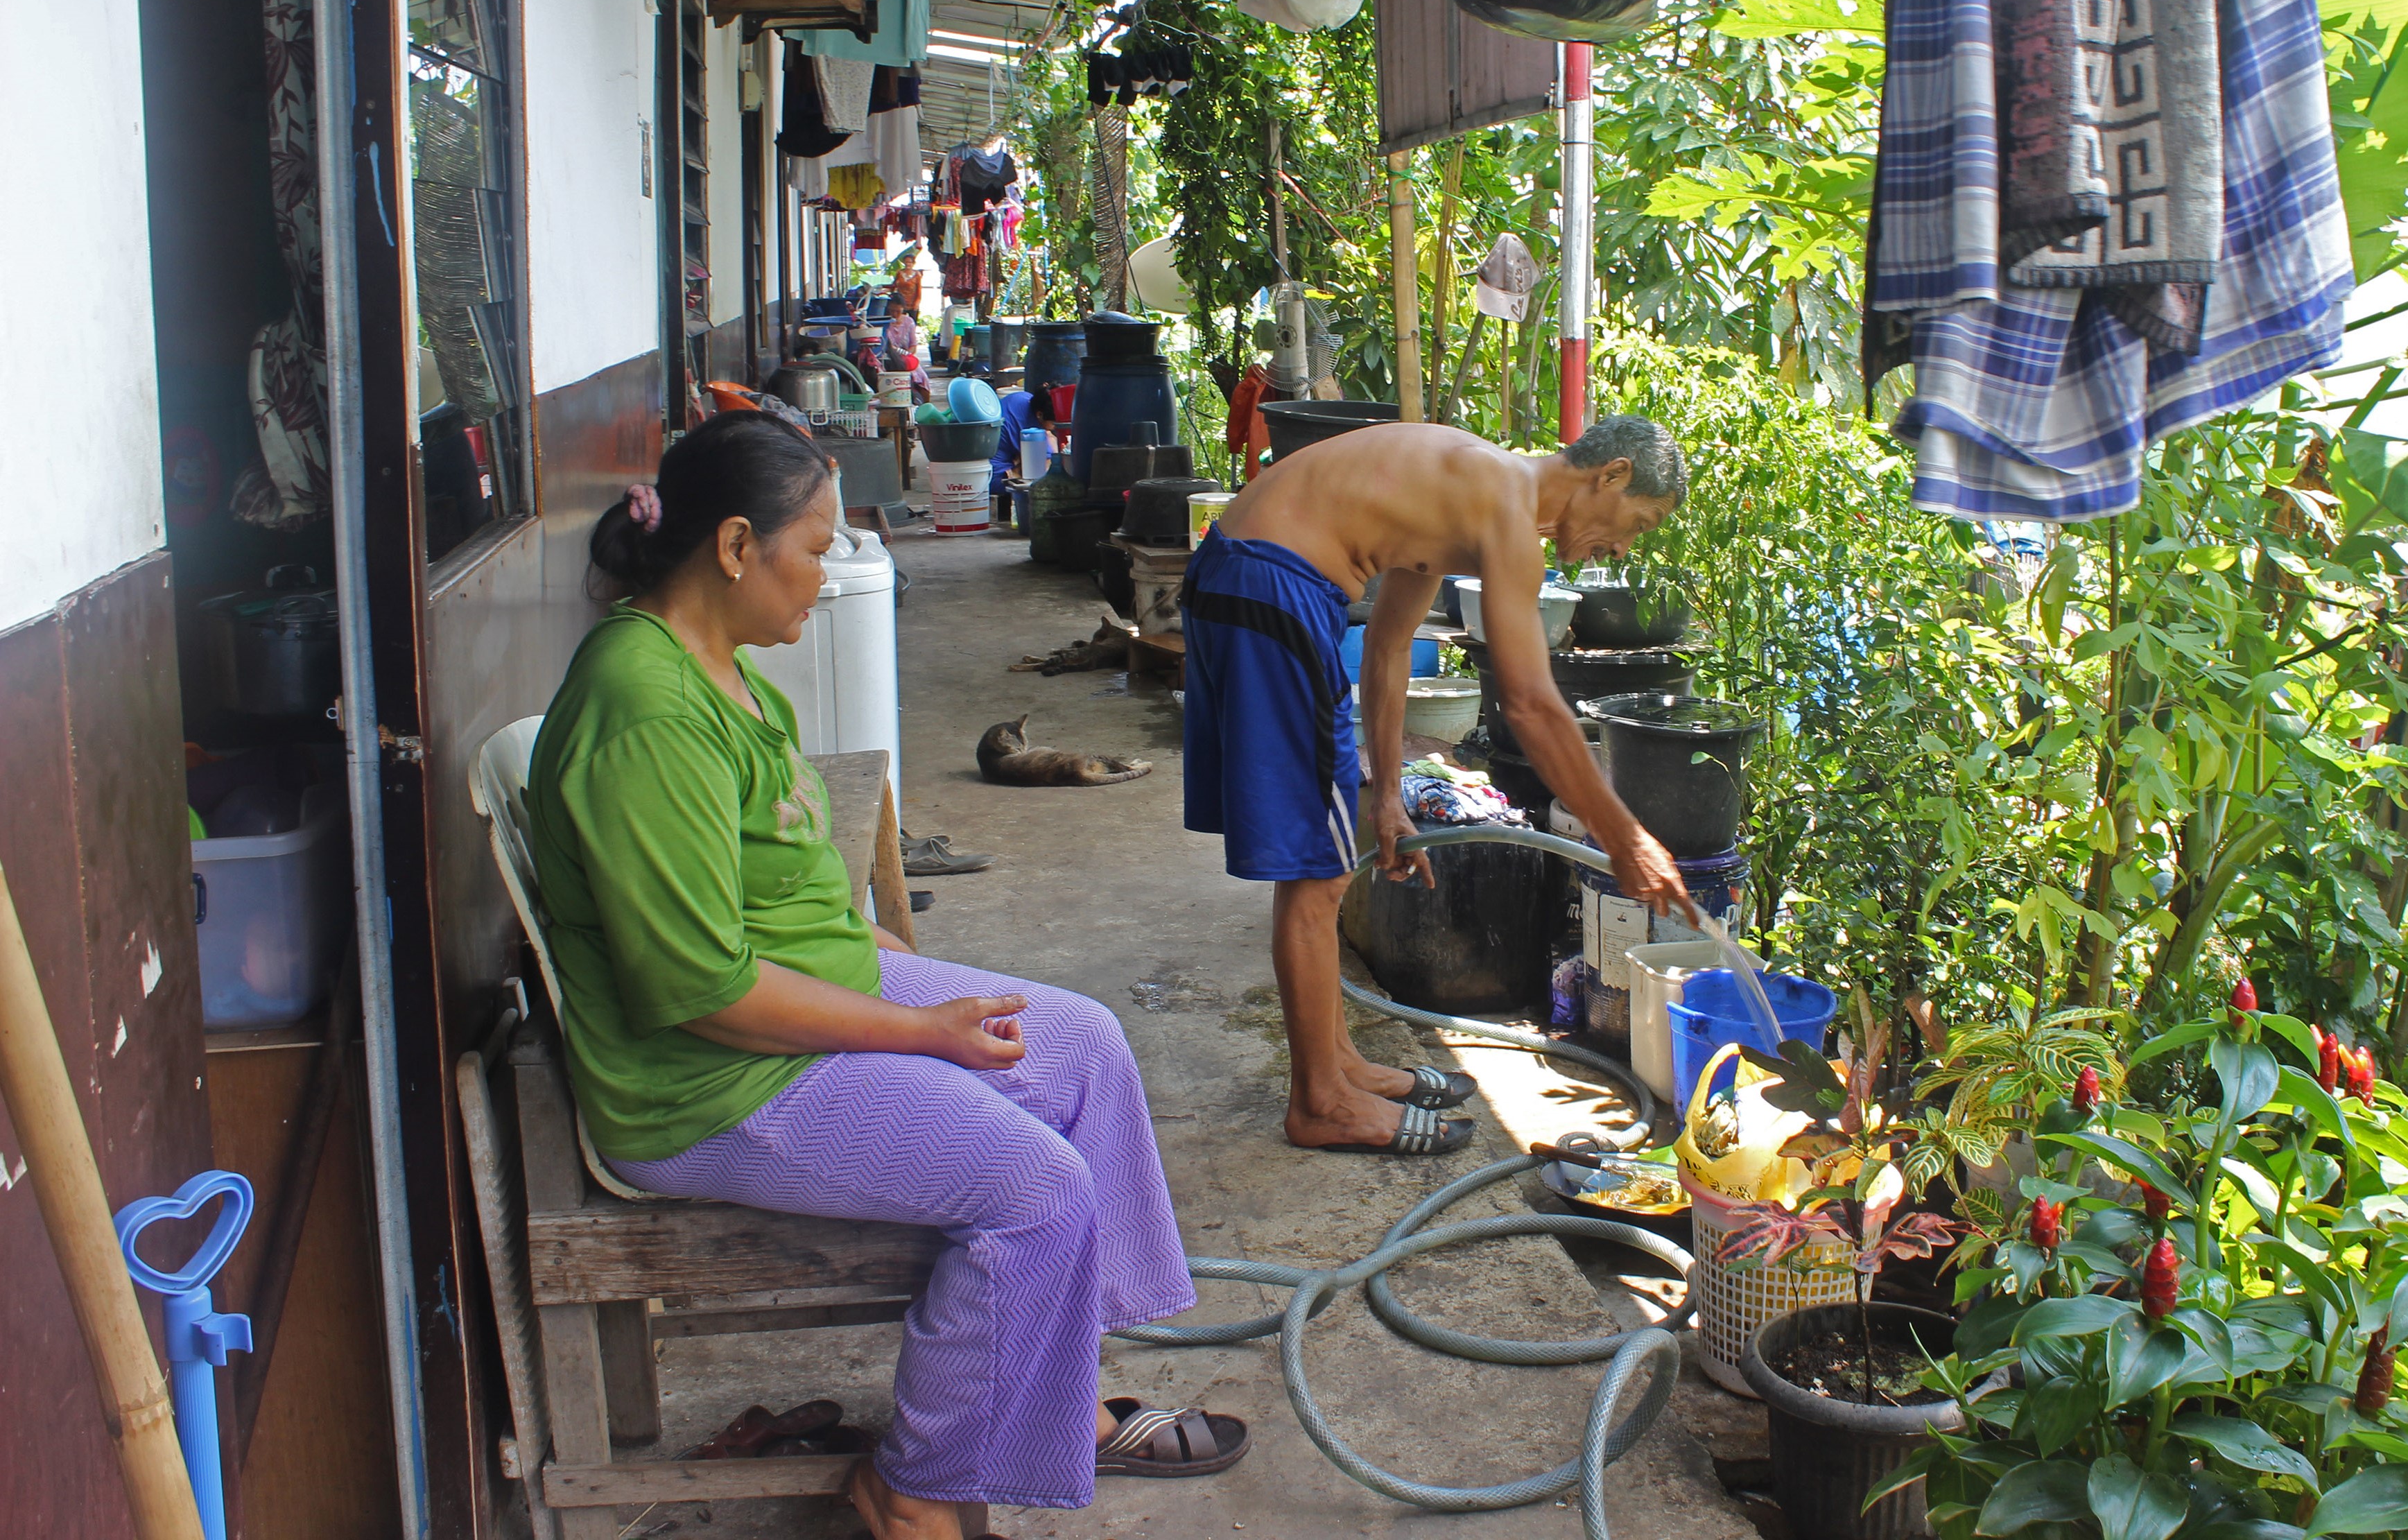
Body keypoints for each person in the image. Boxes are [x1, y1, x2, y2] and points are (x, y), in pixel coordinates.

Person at [527, 412, 1242, 1540]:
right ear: (730, 547)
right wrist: (920, 1030)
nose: (829, 571)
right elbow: (707, 992)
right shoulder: (644, 709)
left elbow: (770, 895)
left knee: (1087, 1045)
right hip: (708, 1084)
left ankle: (1056, 1390)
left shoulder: (716, 666)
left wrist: (885, 966)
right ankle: (913, 1483)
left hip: (796, 1001)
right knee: (1036, 1188)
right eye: (812, 547)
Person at [1179, 415, 1696, 1155]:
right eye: (1637, 523)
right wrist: (1624, 837)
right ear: (1608, 476)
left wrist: (1388, 799)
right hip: (1269, 585)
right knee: (1313, 874)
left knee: (1321, 863)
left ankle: (1340, 1065)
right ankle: (1319, 1102)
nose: (1623, 545)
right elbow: (1529, 704)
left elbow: (1389, 652)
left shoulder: (1461, 499)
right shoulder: (1508, 509)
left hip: (1260, 580)